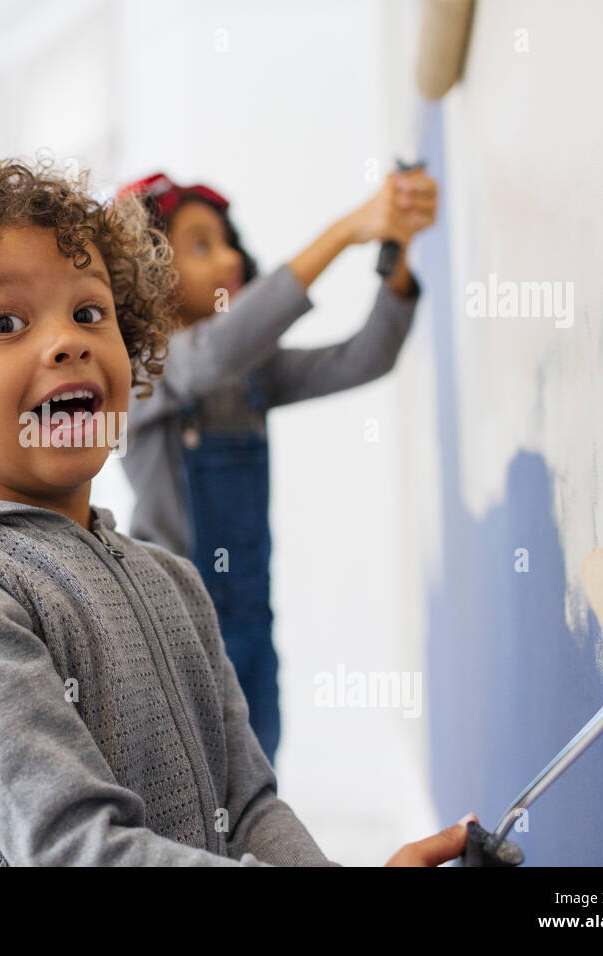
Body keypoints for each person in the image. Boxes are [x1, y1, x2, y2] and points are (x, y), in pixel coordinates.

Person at [0, 153, 469, 865]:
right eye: (7, 321)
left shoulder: (176, 582)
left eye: (89, 312)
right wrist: (350, 228)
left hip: (245, 601)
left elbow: (249, 806)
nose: (68, 339)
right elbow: (78, 848)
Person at [114, 169, 437, 766]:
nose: (232, 257)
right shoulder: (136, 372)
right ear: (147, 274)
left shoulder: (248, 374)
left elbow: (364, 358)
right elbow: (212, 353)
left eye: (229, 241)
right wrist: (345, 232)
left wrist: (395, 257)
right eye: (203, 245)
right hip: (172, 629)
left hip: (251, 620)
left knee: (257, 785)